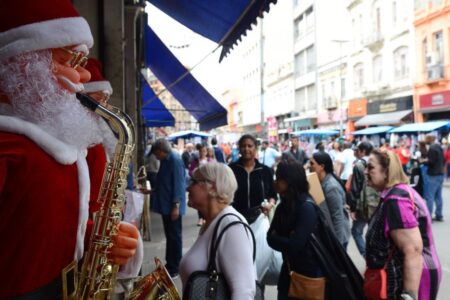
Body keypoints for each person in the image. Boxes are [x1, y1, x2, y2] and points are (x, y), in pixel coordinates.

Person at [0, 0, 140, 297]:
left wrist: (99, 240)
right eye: (72, 62)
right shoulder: (9, 147)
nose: (85, 77)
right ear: (22, 65)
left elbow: (47, 233)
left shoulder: (56, 147)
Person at [365, 149, 441, 300]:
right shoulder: (395, 192)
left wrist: (409, 295)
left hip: (412, 276)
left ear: (386, 171)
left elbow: (413, 250)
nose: (366, 171)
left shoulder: (396, 200)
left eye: (370, 167)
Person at [180, 163, 257, 299]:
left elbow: (244, 292)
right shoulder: (212, 222)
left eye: (193, 181)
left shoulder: (231, 226)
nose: (188, 187)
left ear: (213, 187)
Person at [267, 162, 324, 299]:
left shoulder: (306, 207)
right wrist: (286, 238)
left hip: (306, 276)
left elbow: (295, 245)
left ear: (289, 181)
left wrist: (279, 237)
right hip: (287, 272)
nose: (275, 182)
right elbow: (269, 237)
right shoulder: (283, 206)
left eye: (279, 178)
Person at [151, 138, 186, 278]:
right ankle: (170, 263)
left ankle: (175, 267)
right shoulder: (166, 160)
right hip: (166, 206)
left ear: (160, 150)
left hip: (172, 207)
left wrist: (176, 206)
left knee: (174, 237)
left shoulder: (174, 160)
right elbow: (164, 182)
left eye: (156, 153)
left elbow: (178, 184)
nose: (155, 156)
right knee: (170, 236)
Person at [229, 135, 277, 224]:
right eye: (243, 146)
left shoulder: (265, 170)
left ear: (256, 148)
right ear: (239, 148)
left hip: (260, 218)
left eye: (250, 146)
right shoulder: (231, 169)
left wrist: (270, 204)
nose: (246, 149)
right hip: (236, 218)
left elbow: (272, 195)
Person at [309, 152, 351, 249]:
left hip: (338, 238)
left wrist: (338, 245)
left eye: (312, 163)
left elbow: (337, 216)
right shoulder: (322, 182)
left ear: (322, 166)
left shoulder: (331, 187)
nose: (309, 166)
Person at [348, 141, 378, 257]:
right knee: (373, 232)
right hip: (377, 204)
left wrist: (353, 208)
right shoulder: (377, 162)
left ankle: (367, 256)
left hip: (363, 205)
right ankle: (376, 257)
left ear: (363, 151)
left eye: (358, 150)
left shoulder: (359, 165)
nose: (356, 152)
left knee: (356, 231)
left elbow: (355, 189)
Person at [423, 134, 445, 221]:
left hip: (433, 174)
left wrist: (425, 161)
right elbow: (442, 159)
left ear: (429, 140)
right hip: (440, 173)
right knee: (438, 196)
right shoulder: (439, 147)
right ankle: (439, 215)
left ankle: (429, 216)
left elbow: (431, 162)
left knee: (430, 196)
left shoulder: (432, 148)